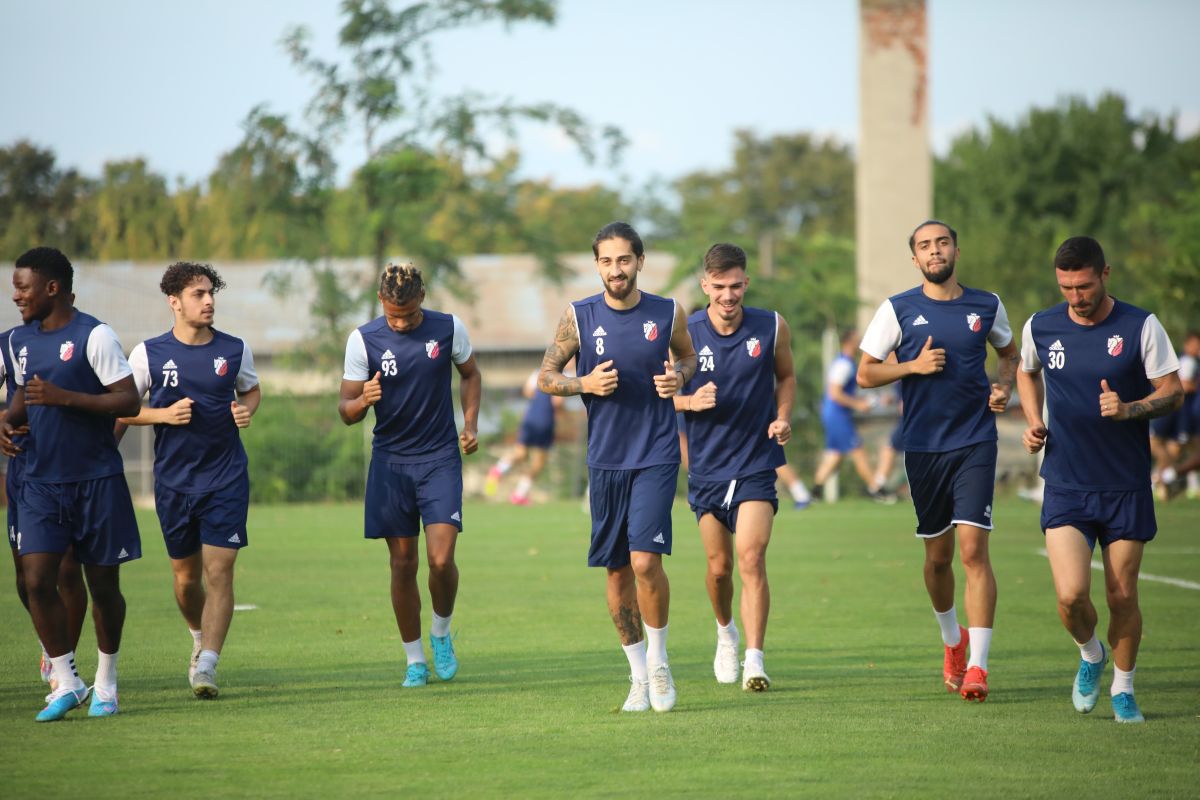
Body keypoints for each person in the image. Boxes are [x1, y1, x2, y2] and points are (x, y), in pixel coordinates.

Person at [1017, 236, 1183, 724]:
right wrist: (1033, 420)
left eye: (1084, 286)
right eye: (1066, 287)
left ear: (1105, 274)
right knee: (1070, 596)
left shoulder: (1140, 326)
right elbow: (1027, 373)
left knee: (1122, 595)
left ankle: (1124, 689)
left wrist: (1130, 409)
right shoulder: (1041, 326)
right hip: (1066, 482)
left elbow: (1172, 391)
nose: (1076, 297)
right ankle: (1091, 654)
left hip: (1125, 485)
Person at [858, 220, 1019, 702]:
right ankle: (953, 642)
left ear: (956, 250)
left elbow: (1009, 354)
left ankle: (978, 667)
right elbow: (866, 373)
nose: (935, 251)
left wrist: (1004, 385)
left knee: (973, 551)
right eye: (925, 246)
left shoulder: (986, 305)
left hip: (975, 442)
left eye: (942, 243)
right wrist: (911, 366)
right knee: (937, 558)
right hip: (924, 447)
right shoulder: (898, 309)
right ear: (915, 259)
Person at [538, 221, 696, 713]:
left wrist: (678, 379)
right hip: (605, 460)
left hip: (656, 452)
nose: (615, 270)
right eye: (606, 261)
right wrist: (583, 385)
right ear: (597, 266)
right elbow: (546, 376)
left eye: (624, 260)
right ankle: (636, 678)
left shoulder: (668, 312)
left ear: (640, 262)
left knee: (647, 561)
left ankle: (660, 662)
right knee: (617, 570)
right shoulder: (578, 316)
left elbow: (689, 359)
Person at [1, 247, 141, 721]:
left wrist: (66, 397)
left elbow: (129, 401)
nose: (16, 295)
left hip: (96, 481)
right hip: (40, 481)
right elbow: (23, 395)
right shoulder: (21, 340)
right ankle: (66, 679)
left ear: (52, 288)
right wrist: (6, 420)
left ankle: (106, 682)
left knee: (103, 587)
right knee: (37, 580)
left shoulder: (94, 335)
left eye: (23, 287)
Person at [116, 262, 261, 699]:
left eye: (211, 293)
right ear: (174, 302)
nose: (209, 300)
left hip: (226, 477)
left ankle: (209, 665)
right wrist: (161, 414)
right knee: (185, 579)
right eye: (198, 294)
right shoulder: (148, 354)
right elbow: (121, 407)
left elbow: (250, 389)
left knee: (221, 571)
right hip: (175, 483)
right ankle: (198, 638)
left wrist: (246, 409)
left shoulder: (235, 349)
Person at [338, 262, 481, 688]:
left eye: (409, 315)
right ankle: (414, 660)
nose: (400, 323)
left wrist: (470, 424)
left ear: (422, 298)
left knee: (440, 559)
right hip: (390, 463)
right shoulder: (362, 340)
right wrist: (363, 399)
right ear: (381, 301)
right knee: (402, 563)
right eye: (392, 315)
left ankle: (441, 633)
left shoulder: (449, 328)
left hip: (439, 458)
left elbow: (471, 375)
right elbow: (345, 410)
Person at [675, 243, 794, 691]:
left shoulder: (771, 326)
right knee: (719, 567)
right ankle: (726, 632)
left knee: (750, 558)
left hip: (756, 462)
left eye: (736, 285)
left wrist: (783, 417)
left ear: (747, 283)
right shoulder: (685, 331)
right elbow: (662, 391)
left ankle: (755, 660)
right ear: (705, 285)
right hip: (706, 467)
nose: (728, 295)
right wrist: (689, 400)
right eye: (719, 287)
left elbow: (787, 376)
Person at [2, 322, 88, 693]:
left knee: (69, 569)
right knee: (29, 577)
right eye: (17, 289)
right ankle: (50, 642)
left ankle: (64, 666)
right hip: (25, 471)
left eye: (26, 289)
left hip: (69, 469)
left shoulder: (84, 339)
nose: (20, 296)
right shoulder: (9, 344)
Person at [812, 330, 892, 503]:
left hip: (834, 414)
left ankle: (814, 492)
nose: (861, 343)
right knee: (858, 450)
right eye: (858, 340)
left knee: (835, 454)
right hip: (837, 415)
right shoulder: (844, 365)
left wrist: (876, 400)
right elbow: (835, 393)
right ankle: (876, 490)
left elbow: (848, 391)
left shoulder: (846, 363)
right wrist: (858, 405)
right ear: (849, 342)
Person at [484, 369, 562, 505]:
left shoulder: (537, 373)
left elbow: (527, 392)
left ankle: (497, 469)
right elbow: (558, 403)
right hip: (545, 420)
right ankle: (519, 494)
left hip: (530, 417)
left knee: (520, 453)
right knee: (538, 462)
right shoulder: (561, 377)